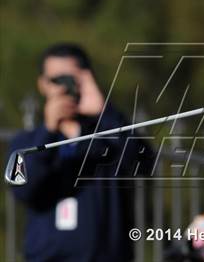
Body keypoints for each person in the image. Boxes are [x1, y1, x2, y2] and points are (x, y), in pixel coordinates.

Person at [8, 43, 154, 262]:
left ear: (87, 80)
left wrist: (105, 111)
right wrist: (48, 131)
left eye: (70, 79)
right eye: (55, 81)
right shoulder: (28, 142)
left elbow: (143, 163)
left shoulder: (109, 136)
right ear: (42, 84)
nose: (63, 88)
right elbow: (24, 190)